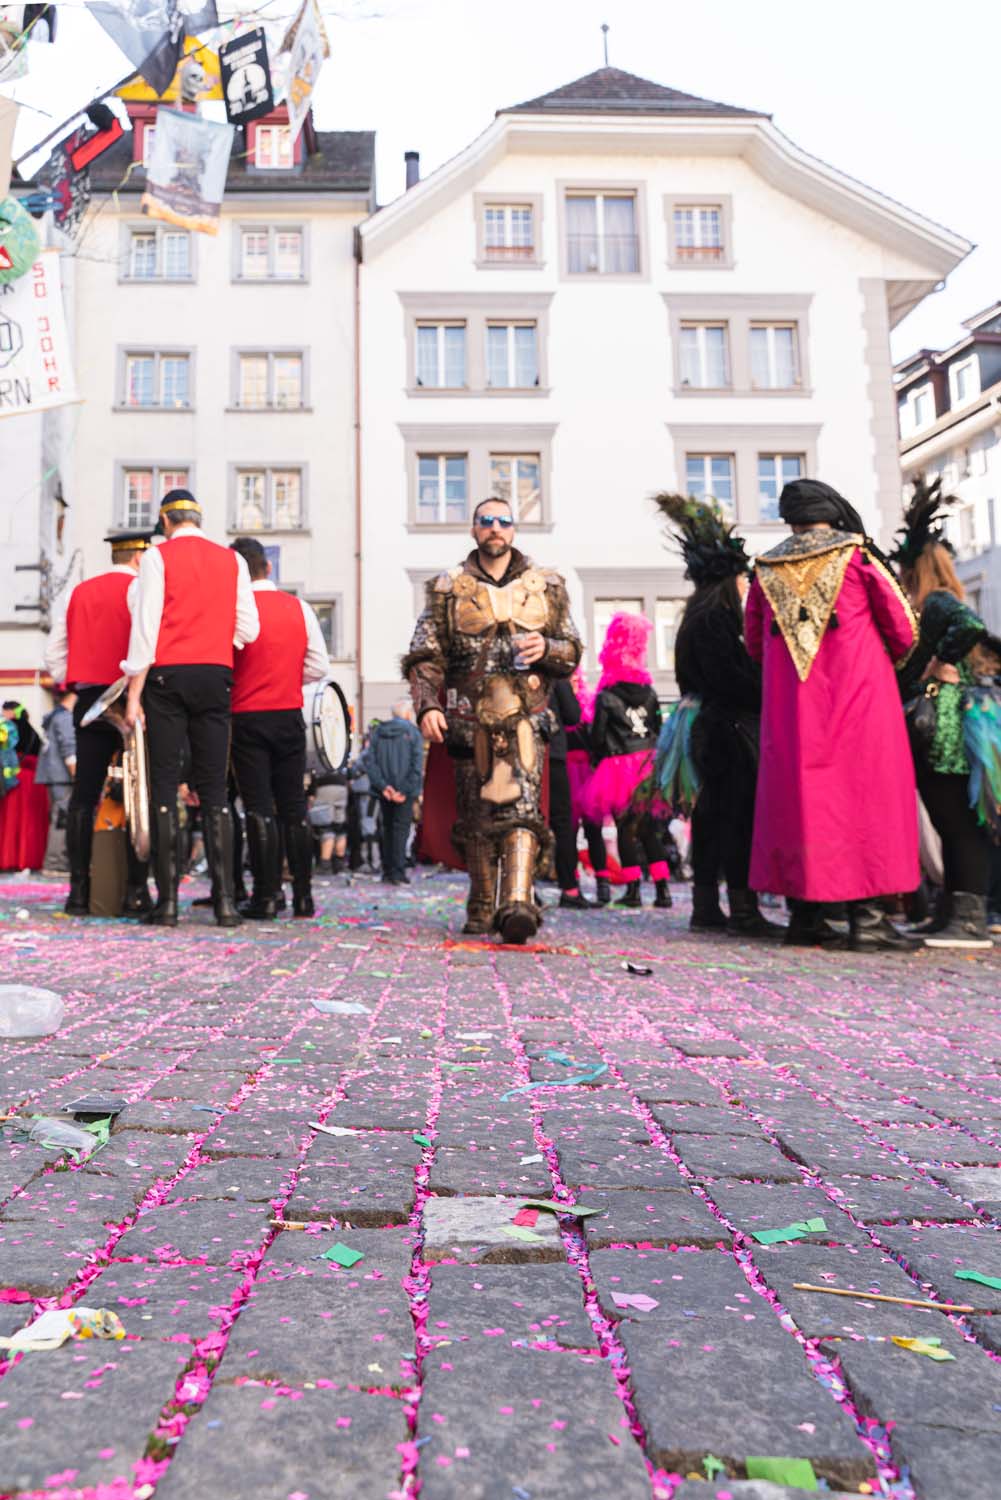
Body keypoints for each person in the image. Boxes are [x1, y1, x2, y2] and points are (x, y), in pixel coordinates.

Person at [745, 478, 919, 951]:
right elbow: (903, 630)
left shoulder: (765, 568)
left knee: (800, 806)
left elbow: (754, 643)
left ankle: (808, 917)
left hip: (791, 710)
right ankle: (871, 919)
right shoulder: (858, 558)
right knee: (870, 801)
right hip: (860, 700)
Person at [403, 496, 581, 943]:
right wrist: (427, 704)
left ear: (514, 530)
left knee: (522, 812)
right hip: (467, 714)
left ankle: (517, 902)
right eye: (486, 521)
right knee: (476, 815)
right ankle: (483, 901)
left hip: (527, 713)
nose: (495, 528)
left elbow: (572, 648)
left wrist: (550, 650)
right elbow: (426, 654)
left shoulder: (547, 585)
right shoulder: (449, 588)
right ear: (474, 529)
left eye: (503, 521)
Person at [121, 490, 259, 927]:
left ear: (166, 522)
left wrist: (132, 694)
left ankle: (167, 904)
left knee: (164, 786)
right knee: (215, 790)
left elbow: (145, 627)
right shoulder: (232, 560)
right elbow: (249, 629)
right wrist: (219, 644)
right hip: (215, 675)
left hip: (168, 677)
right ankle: (225, 903)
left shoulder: (158, 558)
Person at [653, 494, 778, 937]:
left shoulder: (697, 615)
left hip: (710, 727)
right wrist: (770, 687)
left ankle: (708, 905)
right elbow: (733, 677)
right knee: (734, 818)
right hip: (728, 731)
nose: (748, 584)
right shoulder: (716, 618)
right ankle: (741, 909)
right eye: (744, 577)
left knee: (711, 817)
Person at [892, 476, 1001, 949]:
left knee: (957, 820)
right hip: (950, 723)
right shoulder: (940, 601)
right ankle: (951, 913)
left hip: (948, 726)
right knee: (949, 818)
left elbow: (971, 626)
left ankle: (970, 918)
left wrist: (940, 662)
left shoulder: (936, 602)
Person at [44, 530, 153, 916]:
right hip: (129, 696)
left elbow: (55, 654)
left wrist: (76, 676)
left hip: (90, 698)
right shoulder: (143, 588)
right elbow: (147, 643)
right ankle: (135, 890)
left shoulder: (80, 592)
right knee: (140, 792)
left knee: (84, 795)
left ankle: (78, 892)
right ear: (140, 557)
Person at [227, 537, 329, 919]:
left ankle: (266, 896)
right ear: (267, 568)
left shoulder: (233, 611)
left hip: (246, 716)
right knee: (294, 808)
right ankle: (303, 896)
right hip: (288, 713)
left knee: (258, 808)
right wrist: (287, 679)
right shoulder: (299, 607)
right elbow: (319, 666)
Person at [582, 612, 672, 910]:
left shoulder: (606, 694)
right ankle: (663, 890)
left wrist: (596, 757)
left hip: (618, 765)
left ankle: (633, 889)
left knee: (625, 829)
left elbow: (597, 736)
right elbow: (659, 729)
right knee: (648, 828)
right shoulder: (649, 692)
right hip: (647, 762)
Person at [364, 700, 424, 885]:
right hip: (403, 792)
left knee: (387, 829)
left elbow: (370, 762)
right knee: (400, 830)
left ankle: (388, 870)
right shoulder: (413, 733)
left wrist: (384, 787)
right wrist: (404, 790)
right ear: (407, 714)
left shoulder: (378, 733)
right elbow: (416, 765)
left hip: (385, 792)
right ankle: (397, 871)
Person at [548, 675, 594, 909]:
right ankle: (570, 889)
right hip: (552, 754)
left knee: (521, 819)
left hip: (517, 757)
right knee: (562, 824)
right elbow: (573, 715)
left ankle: (522, 888)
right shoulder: (555, 674)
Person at [0, 703, 49, 871]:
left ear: (11, 712)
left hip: (14, 780)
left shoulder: (7, 730)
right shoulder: (33, 732)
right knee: (31, 821)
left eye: (4, 711)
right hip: (35, 783)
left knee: (12, 820)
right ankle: (30, 860)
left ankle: (10, 860)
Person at [35, 686, 77, 872]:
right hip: (62, 776)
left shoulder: (54, 716)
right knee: (63, 818)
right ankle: (56, 862)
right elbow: (68, 748)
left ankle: (57, 860)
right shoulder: (65, 717)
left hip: (54, 776)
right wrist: (77, 774)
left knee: (60, 817)